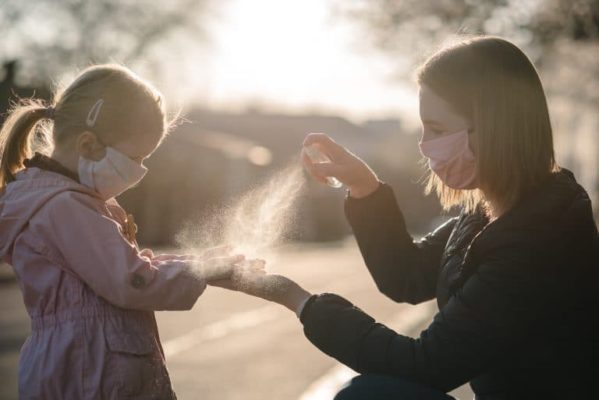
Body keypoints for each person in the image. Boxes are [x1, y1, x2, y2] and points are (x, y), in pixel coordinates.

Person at [210, 36, 599, 399]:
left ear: (495, 126)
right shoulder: (489, 212)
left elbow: (428, 365)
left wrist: (294, 298)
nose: (425, 145)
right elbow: (407, 276)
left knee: (370, 395)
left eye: (437, 129)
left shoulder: (539, 234)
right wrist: (364, 187)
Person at [0, 64, 248, 399]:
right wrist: (200, 270)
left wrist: (197, 262)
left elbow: (125, 268)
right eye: (135, 157)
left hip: (83, 366)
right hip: (89, 374)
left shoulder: (70, 203)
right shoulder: (66, 208)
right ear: (88, 145)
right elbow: (129, 280)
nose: (139, 170)